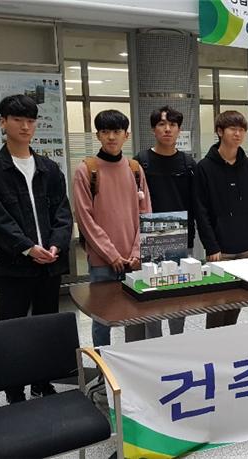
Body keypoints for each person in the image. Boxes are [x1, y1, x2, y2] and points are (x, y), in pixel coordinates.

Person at [0, 94, 72, 404]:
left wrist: (56, 244)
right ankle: (14, 389)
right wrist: (28, 248)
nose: (25, 126)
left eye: (31, 120)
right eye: (18, 120)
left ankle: (42, 383)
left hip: (50, 263)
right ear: (2, 122)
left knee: (47, 326)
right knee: (13, 327)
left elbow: (63, 212)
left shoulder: (49, 168)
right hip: (13, 265)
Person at [73, 110, 151, 346]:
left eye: (117, 131)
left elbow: (146, 214)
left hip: (134, 260)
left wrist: (137, 252)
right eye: (105, 131)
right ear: (97, 135)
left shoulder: (135, 169)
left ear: (126, 135)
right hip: (102, 261)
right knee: (102, 316)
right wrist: (111, 254)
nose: (111, 137)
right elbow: (85, 218)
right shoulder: (87, 170)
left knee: (136, 313)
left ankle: (132, 359)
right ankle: (101, 362)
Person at [195, 110, 248, 327]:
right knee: (217, 304)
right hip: (221, 251)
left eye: (242, 130)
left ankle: (229, 342)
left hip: (247, 248)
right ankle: (213, 343)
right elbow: (201, 211)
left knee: (237, 301)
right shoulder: (204, 168)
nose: (238, 134)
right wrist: (211, 246)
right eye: (233, 129)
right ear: (220, 131)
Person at [134, 106, 196, 337]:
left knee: (179, 294)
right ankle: (154, 343)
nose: (167, 129)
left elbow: (195, 203)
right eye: (162, 124)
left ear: (179, 129)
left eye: (172, 124)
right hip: (150, 235)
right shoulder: (140, 162)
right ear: (153, 129)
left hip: (181, 235)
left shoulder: (188, 163)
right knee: (153, 294)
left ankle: (177, 341)